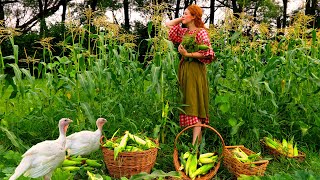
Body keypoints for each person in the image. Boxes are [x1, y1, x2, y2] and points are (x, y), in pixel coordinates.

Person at [165, 4, 215, 145]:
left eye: (186, 13)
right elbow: (168, 25)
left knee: (195, 103)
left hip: (195, 70)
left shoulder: (201, 32)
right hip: (185, 69)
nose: (183, 15)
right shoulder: (184, 32)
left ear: (194, 17)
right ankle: (197, 142)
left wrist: (188, 54)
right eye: (183, 13)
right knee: (189, 102)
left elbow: (208, 53)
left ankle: (195, 145)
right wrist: (181, 19)